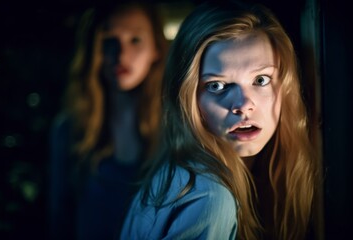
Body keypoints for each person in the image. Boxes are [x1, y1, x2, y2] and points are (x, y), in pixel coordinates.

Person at [120, 1, 321, 240]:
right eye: (217, 85)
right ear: (188, 97)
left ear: (286, 86)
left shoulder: (183, 175)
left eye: (261, 80)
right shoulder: (208, 198)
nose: (244, 105)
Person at [48, 1, 168, 239]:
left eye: (135, 40)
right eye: (109, 41)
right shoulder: (71, 129)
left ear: (156, 48)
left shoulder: (177, 129)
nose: (121, 54)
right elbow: (59, 218)